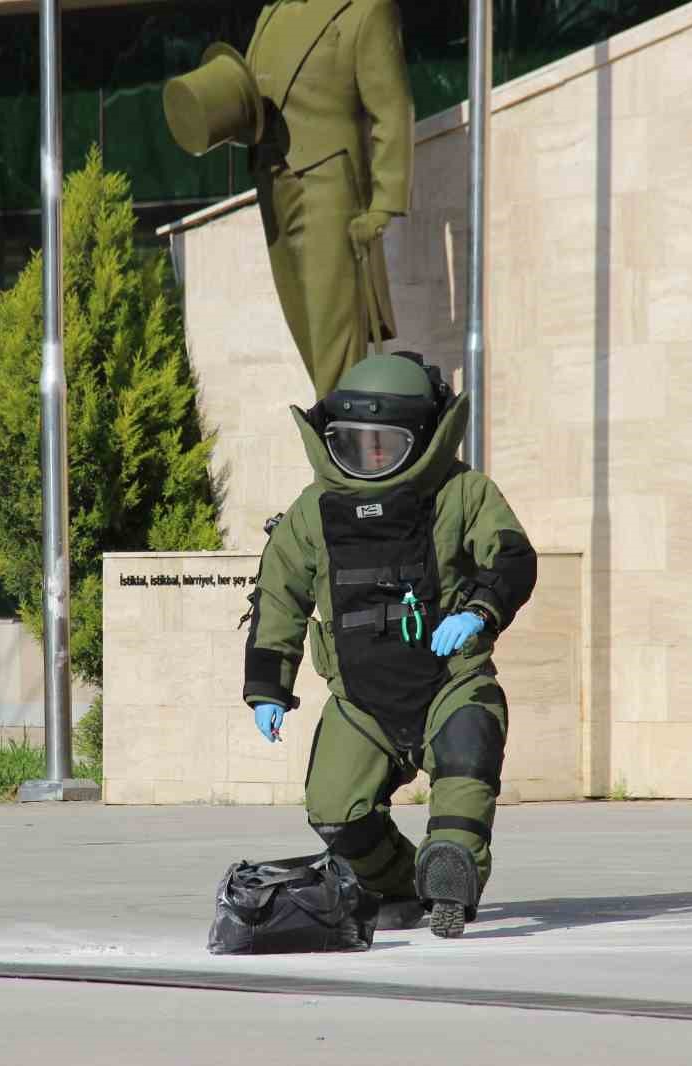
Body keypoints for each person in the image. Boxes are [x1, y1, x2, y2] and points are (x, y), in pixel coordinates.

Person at [240, 351, 537, 938]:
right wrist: (267, 689)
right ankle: (398, 882)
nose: (370, 458)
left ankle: (449, 873)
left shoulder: (463, 493)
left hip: (450, 682)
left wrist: (479, 611)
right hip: (359, 700)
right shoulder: (311, 513)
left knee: (464, 768)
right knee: (332, 812)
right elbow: (279, 598)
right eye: (354, 444)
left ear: (423, 440)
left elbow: (512, 556)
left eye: (386, 445)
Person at [164, 0, 415, 399]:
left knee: (336, 335)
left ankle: (339, 449)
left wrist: (384, 202)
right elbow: (249, 93)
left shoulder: (365, 10)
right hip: (273, 184)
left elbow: (393, 109)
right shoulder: (271, 13)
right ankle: (336, 439)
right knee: (306, 330)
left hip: (330, 185)